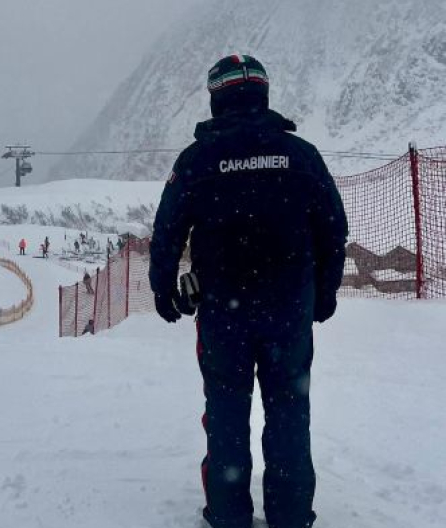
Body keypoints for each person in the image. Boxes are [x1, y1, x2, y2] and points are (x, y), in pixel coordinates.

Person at [148, 55, 347, 528]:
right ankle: (291, 514)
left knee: (226, 415)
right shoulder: (301, 156)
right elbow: (333, 231)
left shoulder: (197, 162)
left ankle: (229, 514)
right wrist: (325, 295)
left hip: (223, 316)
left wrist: (163, 292)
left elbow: (167, 232)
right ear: (264, 95)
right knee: (289, 415)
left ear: (216, 99)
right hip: (288, 312)